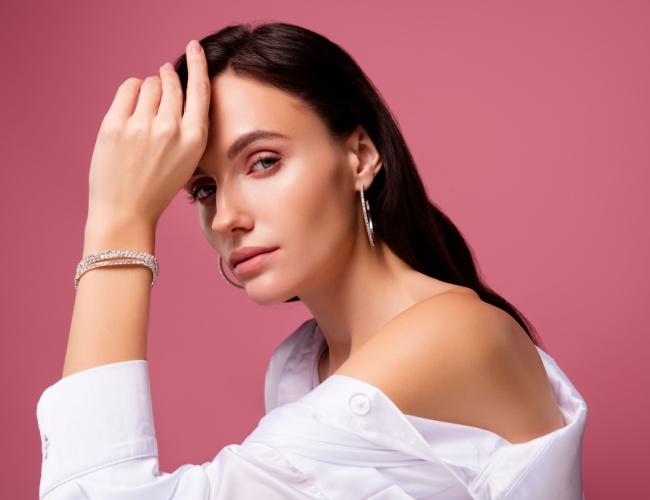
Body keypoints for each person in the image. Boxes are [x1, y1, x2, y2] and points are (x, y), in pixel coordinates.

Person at [37, 22, 586, 499]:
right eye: (203, 188)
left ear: (360, 157)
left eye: (264, 161)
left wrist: (119, 218)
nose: (226, 216)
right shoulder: (302, 364)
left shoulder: (453, 335)